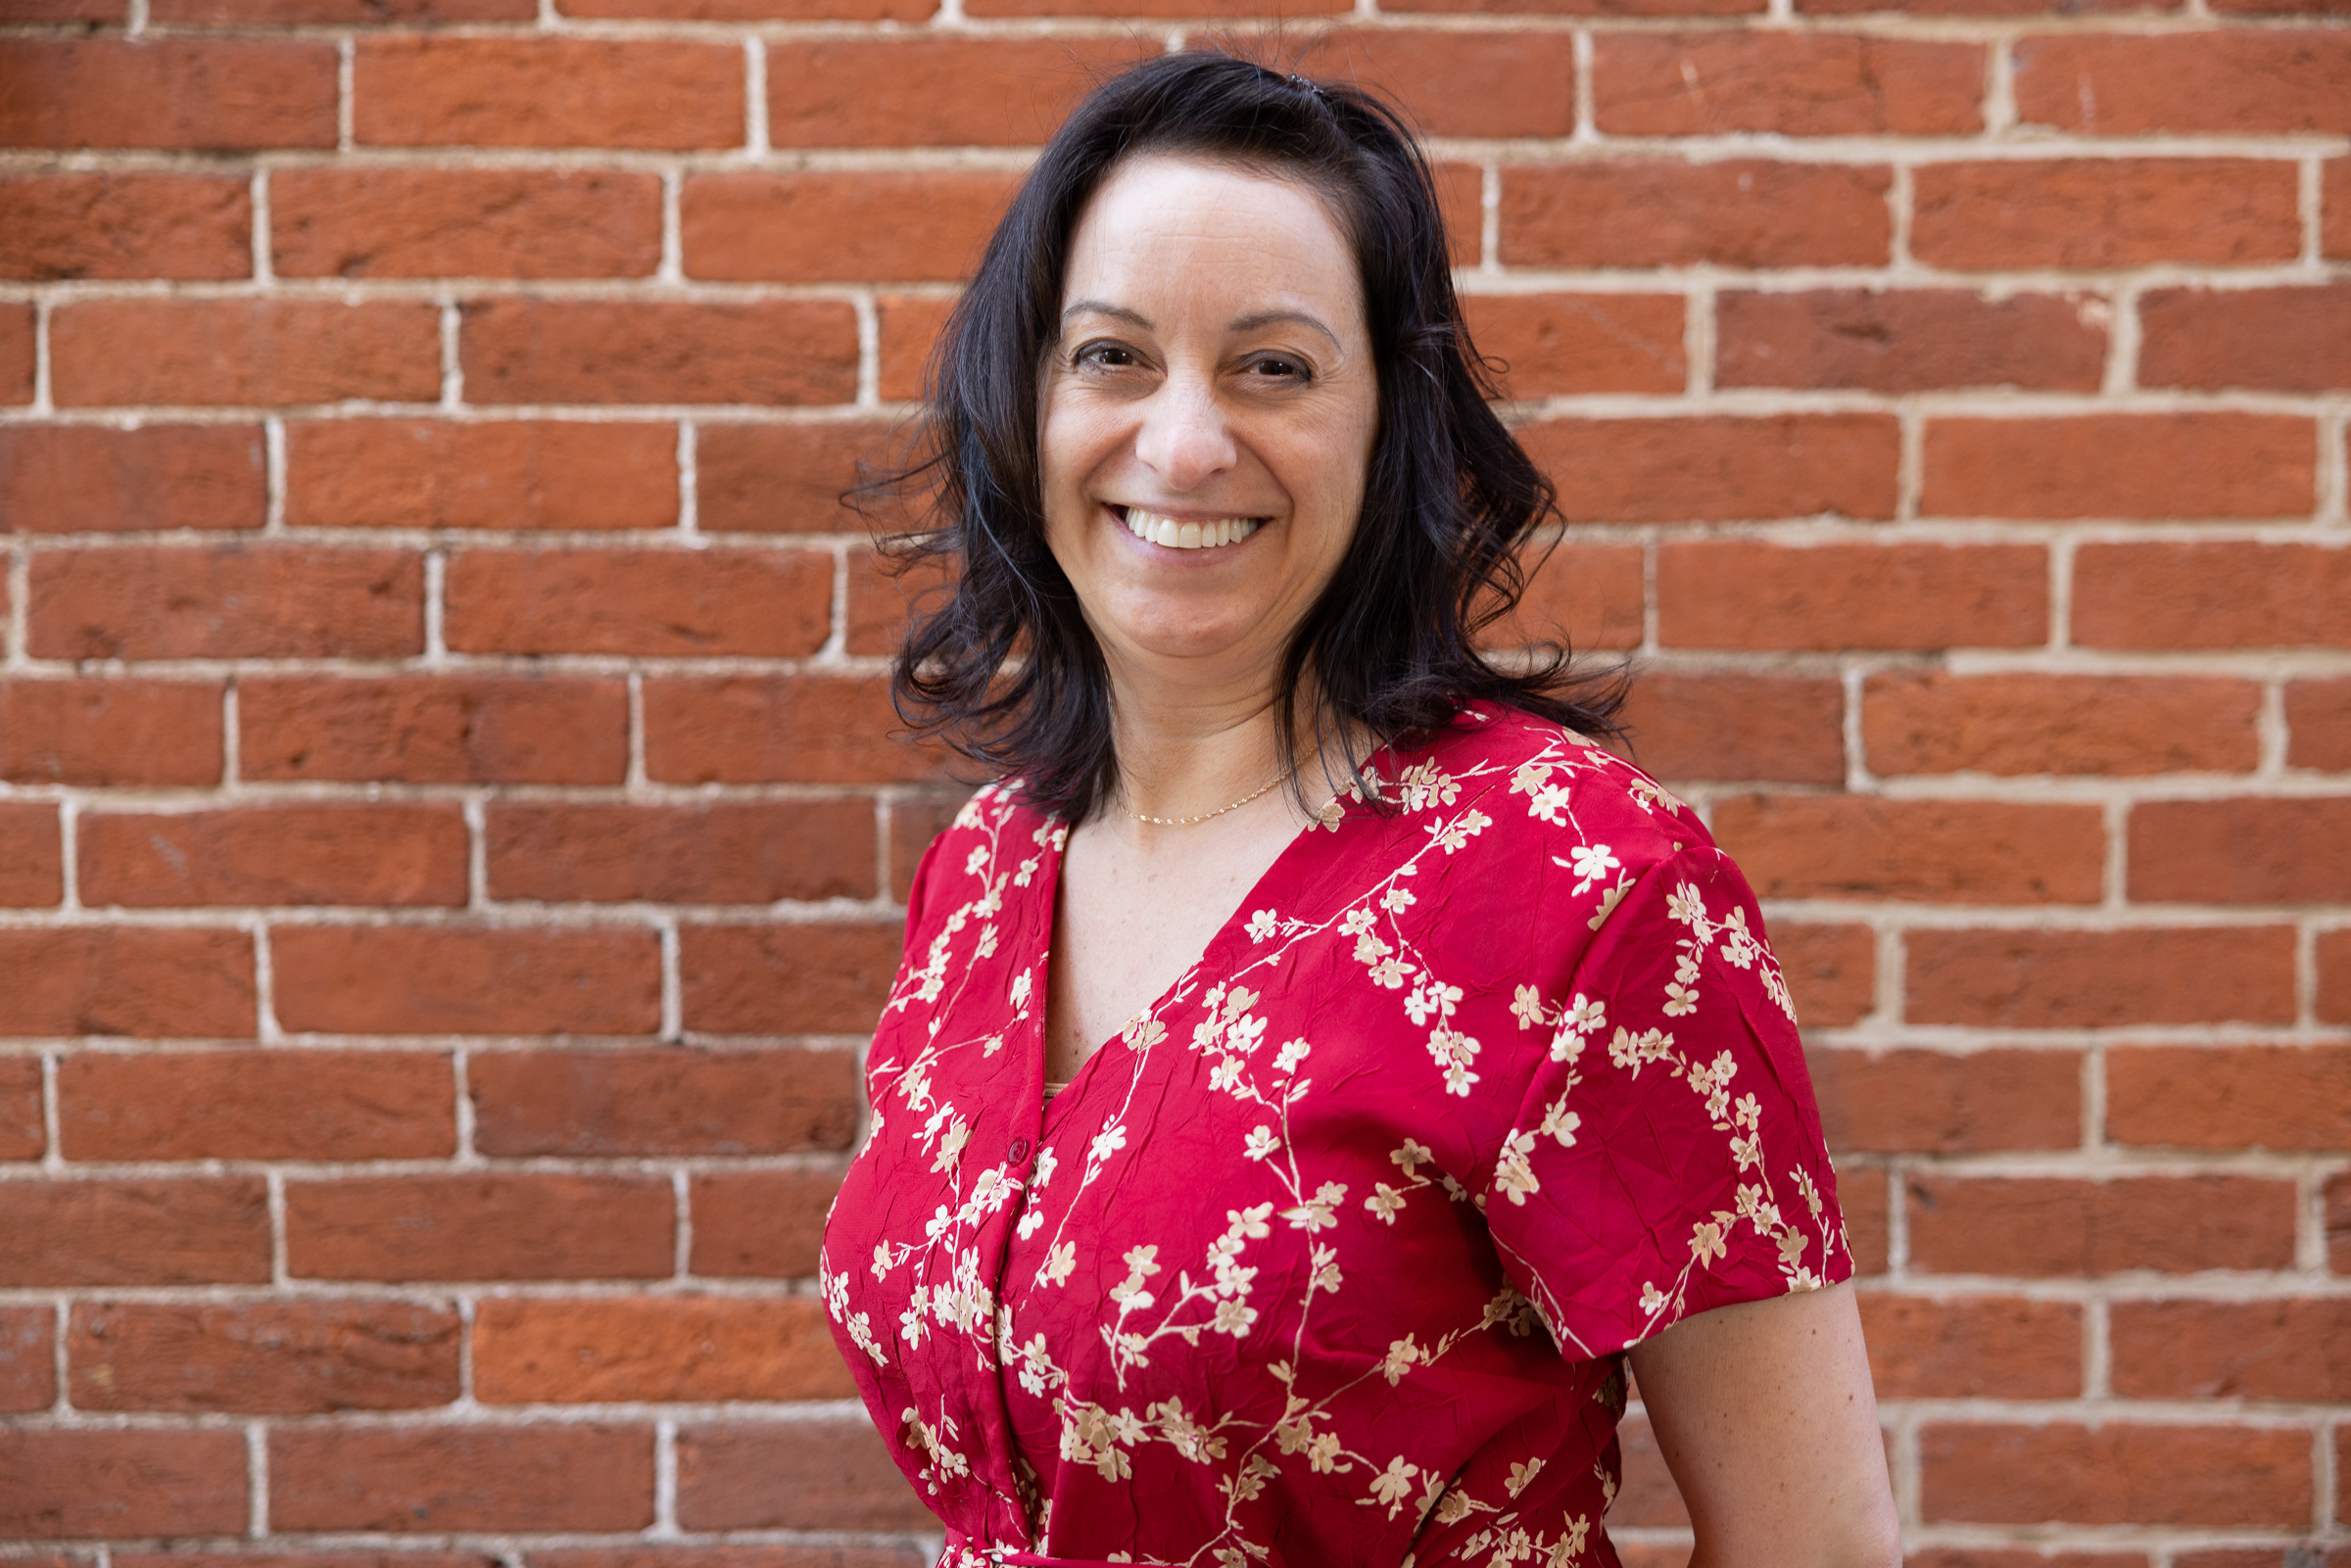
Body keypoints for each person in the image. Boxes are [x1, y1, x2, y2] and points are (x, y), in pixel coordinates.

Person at [820, 51, 1900, 1568]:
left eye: (1276, 366)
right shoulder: (985, 872)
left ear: (1395, 425)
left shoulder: (1577, 884)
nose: (1183, 443)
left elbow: (1819, 1550)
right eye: (1114, 355)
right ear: (1028, 401)